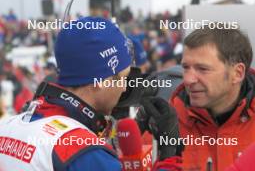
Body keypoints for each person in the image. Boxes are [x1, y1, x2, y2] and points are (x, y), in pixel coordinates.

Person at [0, 17, 182, 171]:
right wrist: (169, 155)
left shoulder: (8, 125)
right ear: (100, 81)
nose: (125, 88)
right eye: (123, 78)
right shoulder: (82, 151)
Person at [169, 24, 255, 170]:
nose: (188, 79)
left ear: (237, 73)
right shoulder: (167, 119)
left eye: (202, 69)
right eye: (186, 67)